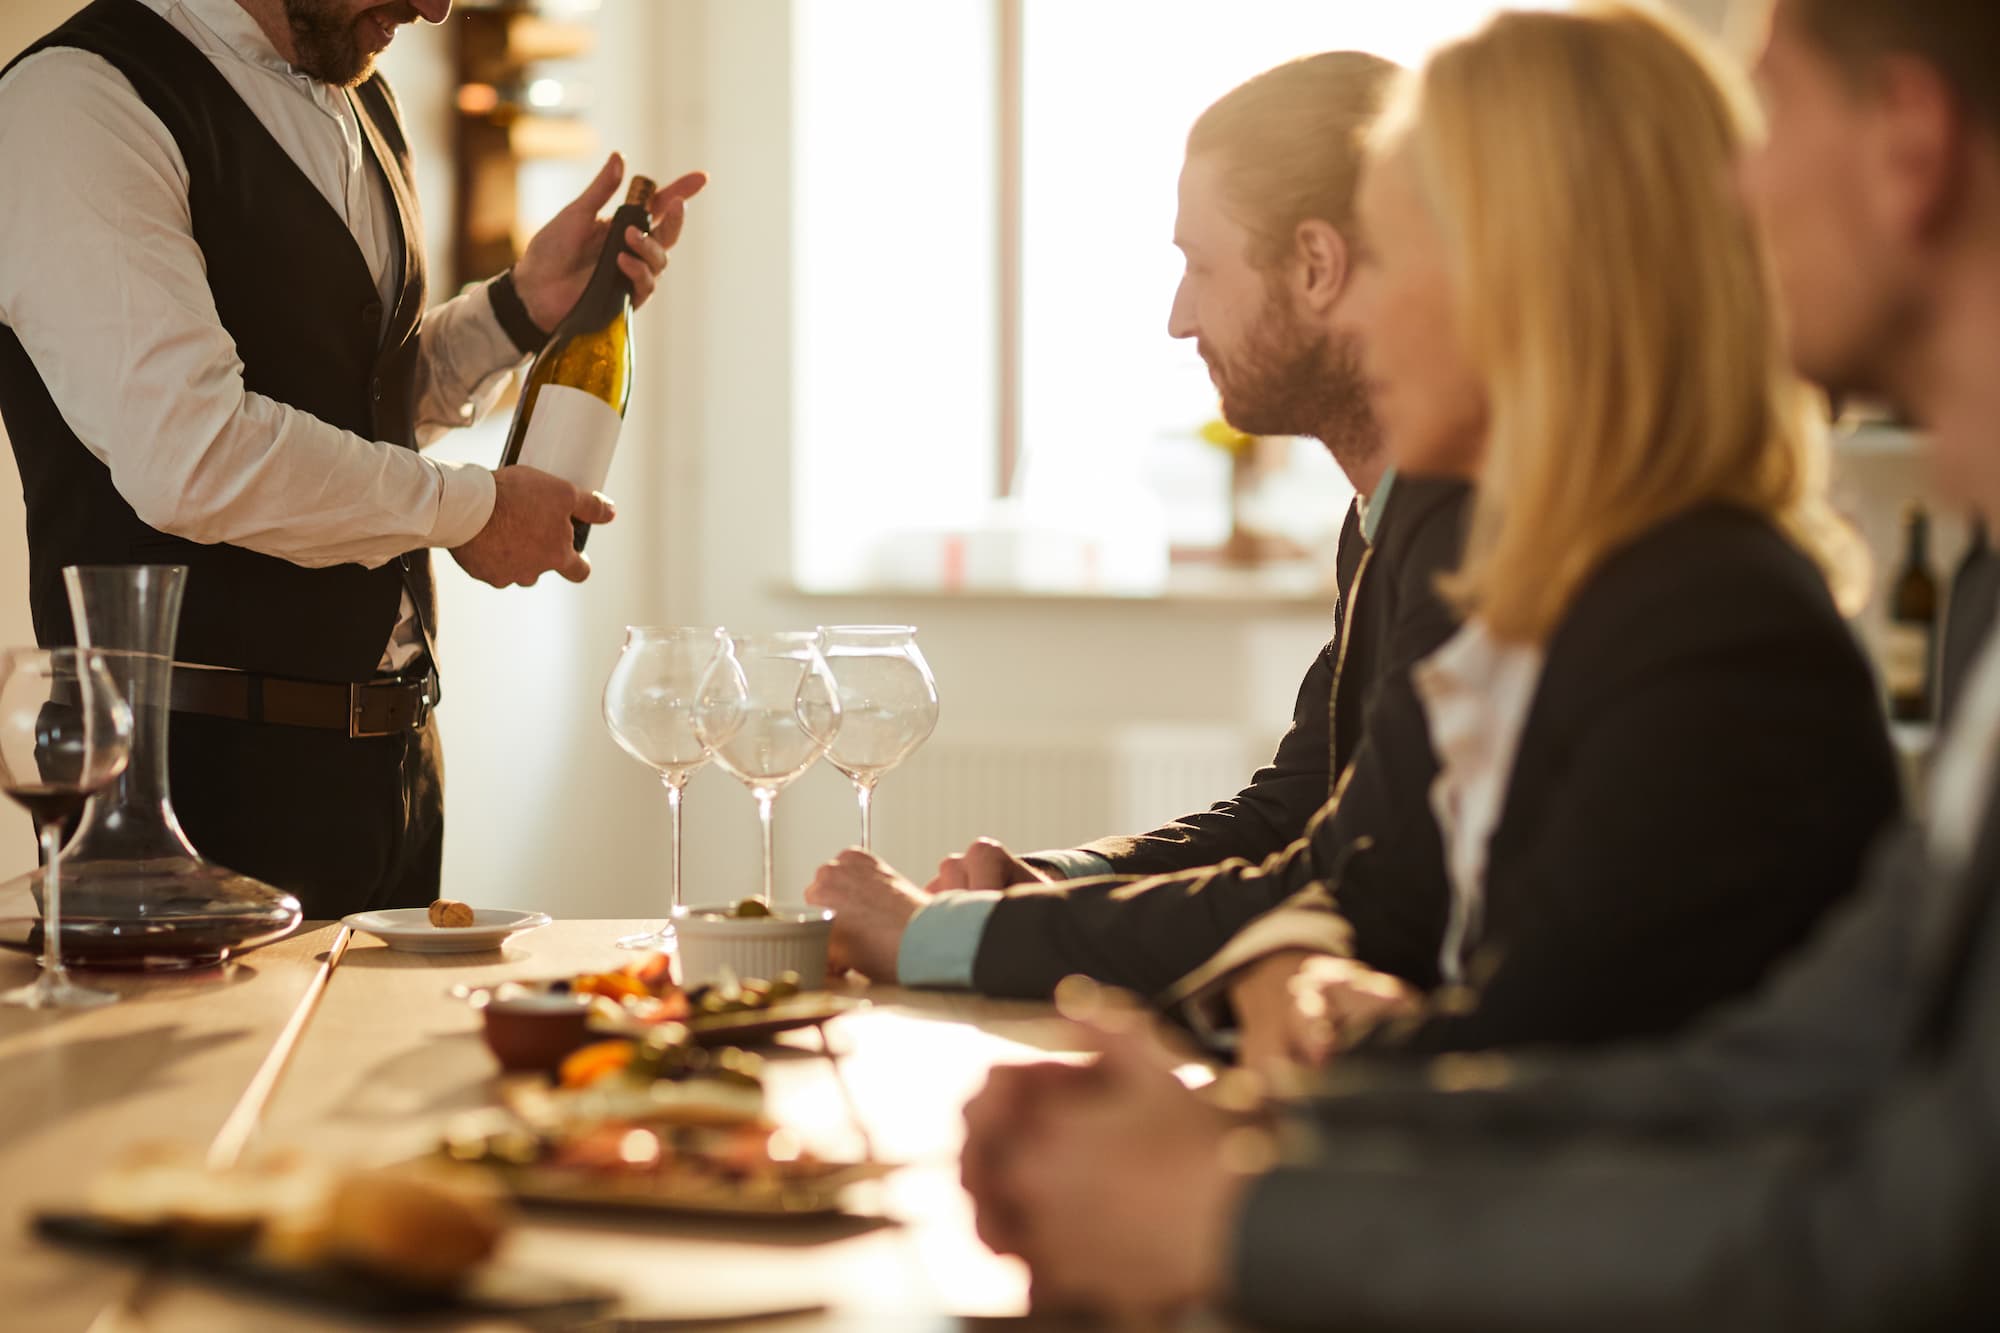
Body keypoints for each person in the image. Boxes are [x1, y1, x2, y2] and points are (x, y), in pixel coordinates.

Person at [960, 1, 2000, 1325]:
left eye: (1771, 107)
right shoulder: (1958, 607)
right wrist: (1270, 1122)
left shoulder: (1710, 621)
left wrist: (1232, 1196)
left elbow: (1884, 1230)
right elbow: (1751, 1073)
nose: (1729, 188)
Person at [813, 0, 1898, 1071]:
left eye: (1391, 256)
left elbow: (1541, 1074)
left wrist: (1231, 1149)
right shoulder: (1578, 576)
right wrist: (1306, 988)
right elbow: (1388, 894)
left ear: (1527, 284)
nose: (1358, 308)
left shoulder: (1691, 620)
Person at [0, 0, 703, 917]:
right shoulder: (76, 104)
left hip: (394, 775)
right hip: (184, 786)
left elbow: (352, 409)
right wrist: (475, 508)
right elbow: (194, 453)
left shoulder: (362, 105)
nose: (434, 7)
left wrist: (517, 310)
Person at [813, 51, 1471, 991]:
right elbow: (1299, 806)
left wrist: (939, 940)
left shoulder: (1466, 526)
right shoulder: (1377, 518)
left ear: (1317, 265)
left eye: (1201, 264)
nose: (1177, 317)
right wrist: (1051, 886)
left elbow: (1349, 884)